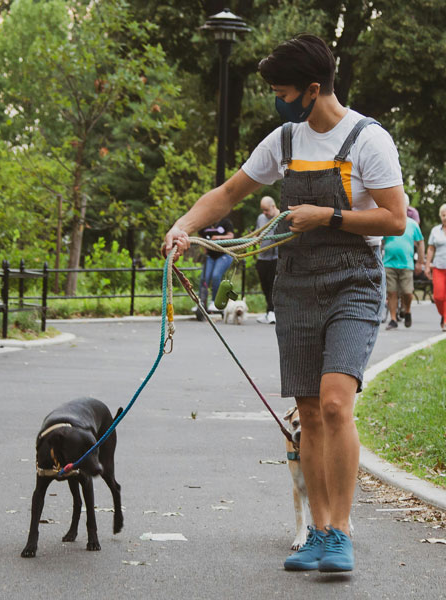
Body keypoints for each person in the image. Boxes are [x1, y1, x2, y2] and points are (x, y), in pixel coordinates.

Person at [162, 35, 405, 573]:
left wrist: (327, 216)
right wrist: (183, 228)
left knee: (337, 403)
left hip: (354, 281)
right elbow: (227, 194)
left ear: (312, 89)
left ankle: (341, 531)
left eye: (281, 90)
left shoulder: (368, 140)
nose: (275, 98)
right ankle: (317, 531)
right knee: (310, 414)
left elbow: (394, 217)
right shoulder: (285, 139)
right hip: (295, 285)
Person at [383, 215, 424, 329]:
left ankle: (407, 311)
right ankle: (393, 319)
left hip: (407, 263)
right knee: (391, 292)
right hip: (388, 263)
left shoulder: (412, 224)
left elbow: (420, 242)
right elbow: (380, 241)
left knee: (407, 292)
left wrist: (420, 262)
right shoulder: (387, 222)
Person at [196, 216, 234, 319]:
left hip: (224, 254)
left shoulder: (225, 222)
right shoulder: (206, 223)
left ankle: (214, 301)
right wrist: (204, 247)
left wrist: (218, 237)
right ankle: (201, 302)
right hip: (210, 256)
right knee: (205, 278)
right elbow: (200, 235)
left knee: (216, 276)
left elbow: (231, 236)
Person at [255, 196, 280, 324]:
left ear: (273, 206)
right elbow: (257, 233)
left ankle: (273, 311)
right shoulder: (261, 218)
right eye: (263, 210)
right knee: (264, 285)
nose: (264, 212)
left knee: (273, 285)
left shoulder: (280, 217)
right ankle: (268, 311)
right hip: (262, 256)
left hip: (275, 256)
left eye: (266, 210)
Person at [424, 203, 446, 331]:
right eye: (443, 215)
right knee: (438, 296)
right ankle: (443, 315)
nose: (445, 217)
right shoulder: (435, 231)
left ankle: (445, 320)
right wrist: (427, 266)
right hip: (438, 267)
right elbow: (431, 249)